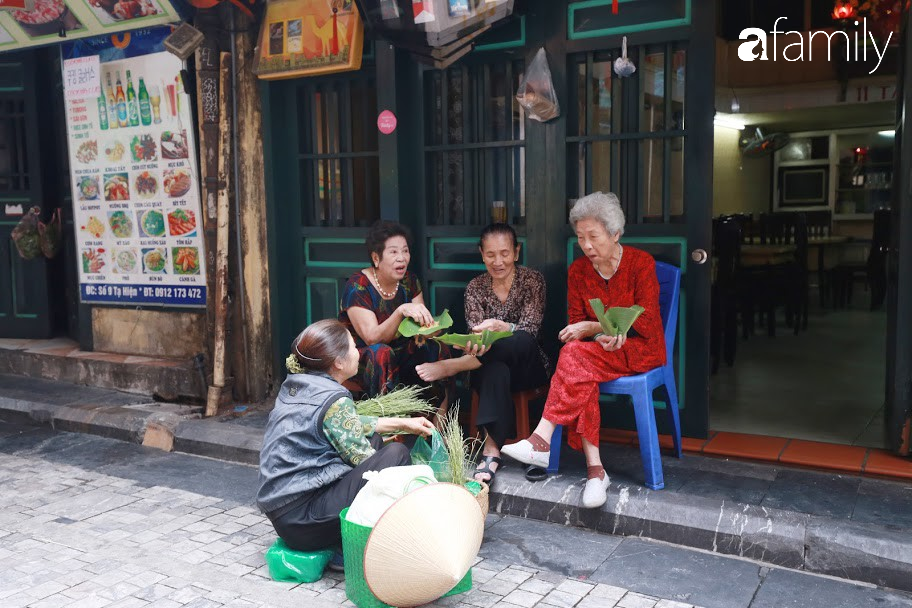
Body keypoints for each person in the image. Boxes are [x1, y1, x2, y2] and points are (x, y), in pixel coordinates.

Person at [501, 192, 666, 509]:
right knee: (578, 362)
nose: (587, 246)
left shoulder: (640, 265)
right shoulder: (578, 271)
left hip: (642, 349)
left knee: (574, 358)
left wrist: (595, 329)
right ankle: (595, 471)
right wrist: (597, 335)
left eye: (593, 237)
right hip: (599, 354)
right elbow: (577, 324)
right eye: (580, 237)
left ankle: (542, 440)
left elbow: (645, 322)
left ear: (614, 234)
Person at [257, 319, 435, 553]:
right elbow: (366, 463)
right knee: (397, 454)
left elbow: (342, 425)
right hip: (306, 521)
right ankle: (362, 543)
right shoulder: (335, 398)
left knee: (376, 441)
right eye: (353, 347)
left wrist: (403, 423)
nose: (358, 353)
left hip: (286, 516)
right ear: (339, 362)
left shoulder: (297, 383)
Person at [414, 224, 549, 484]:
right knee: (494, 367)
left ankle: (456, 365)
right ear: (481, 254)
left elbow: (531, 328)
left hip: (528, 366)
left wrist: (503, 327)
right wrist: (477, 341)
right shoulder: (475, 287)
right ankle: (491, 451)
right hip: (487, 367)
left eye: (505, 253)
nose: (498, 261)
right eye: (490, 255)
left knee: (521, 338)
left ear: (516, 252)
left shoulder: (533, 281)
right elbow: (474, 336)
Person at [338, 220, 453, 416]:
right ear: (376, 257)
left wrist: (435, 329)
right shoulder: (358, 286)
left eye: (405, 251)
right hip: (363, 358)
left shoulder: (409, 281)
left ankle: (438, 432)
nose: (402, 258)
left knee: (437, 348)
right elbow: (372, 338)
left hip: (401, 352)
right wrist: (400, 311)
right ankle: (389, 432)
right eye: (393, 252)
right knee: (381, 352)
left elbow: (423, 327)